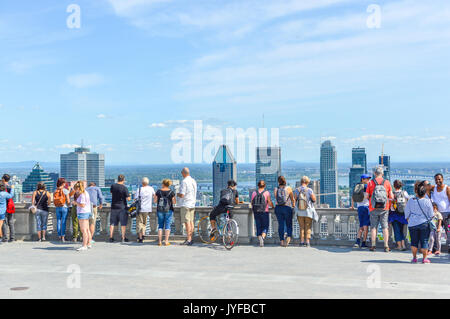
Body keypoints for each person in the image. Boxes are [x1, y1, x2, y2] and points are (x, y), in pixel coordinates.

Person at [405, 181, 434, 264]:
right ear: (424, 193)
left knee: (414, 242)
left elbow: (407, 213)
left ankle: (414, 258)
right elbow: (431, 215)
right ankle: (424, 259)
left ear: (416, 192)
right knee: (424, 241)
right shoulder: (427, 201)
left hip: (412, 223)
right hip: (424, 223)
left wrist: (410, 221)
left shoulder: (411, 200)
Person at [367, 166, 393, 252]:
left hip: (373, 207)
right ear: (382, 174)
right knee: (385, 227)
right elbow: (391, 196)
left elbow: (367, 196)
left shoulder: (370, 183)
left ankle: (373, 245)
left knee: (374, 227)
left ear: (375, 173)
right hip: (384, 208)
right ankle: (386, 245)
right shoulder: (387, 182)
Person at [294, 176, 316, 247]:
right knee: (308, 226)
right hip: (308, 211)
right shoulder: (309, 190)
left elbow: (294, 200)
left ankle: (301, 241)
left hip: (299, 211)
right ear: (307, 182)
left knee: (301, 227)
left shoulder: (297, 190)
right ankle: (307, 241)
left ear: (301, 182)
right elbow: (314, 199)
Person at [431, 173, 450, 254]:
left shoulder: (447, 188)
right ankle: (435, 248)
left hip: (446, 213)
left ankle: (449, 246)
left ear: (442, 179)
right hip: (437, 214)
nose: (438, 181)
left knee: (448, 231)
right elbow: (425, 187)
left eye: (439, 179)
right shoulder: (433, 188)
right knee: (435, 231)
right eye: (436, 179)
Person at [177, 167, 197, 246]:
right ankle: (191, 238)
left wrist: (177, 194)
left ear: (184, 173)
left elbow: (182, 195)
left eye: (182, 173)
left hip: (186, 204)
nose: (181, 174)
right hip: (192, 203)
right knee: (191, 222)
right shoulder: (193, 181)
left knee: (187, 222)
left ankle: (188, 239)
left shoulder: (184, 181)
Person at [251, 180, 274, 247]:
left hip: (256, 211)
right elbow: (269, 202)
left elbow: (252, 202)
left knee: (258, 226)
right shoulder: (266, 193)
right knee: (265, 226)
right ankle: (262, 237)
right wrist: (272, 206)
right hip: (264, 211)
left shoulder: (254, 193)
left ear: (258, 185)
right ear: (265, 186)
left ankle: (259, 237)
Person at [351, 174, 371, 248]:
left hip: (359, 207)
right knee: (365, 226)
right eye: (367, 179)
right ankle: (363, 242)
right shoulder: (366, 186)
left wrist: (352, 206)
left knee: (361, 225)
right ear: (362, 179)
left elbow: (352, 197)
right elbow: (368, 196)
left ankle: (357, 241)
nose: (368, 180)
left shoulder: (357, 186)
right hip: (366, 207)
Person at [109, 175, 131, 243]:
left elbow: (111, 193)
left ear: (117, 179)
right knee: (123, 223)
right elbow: (128, 199)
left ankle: (111, 237)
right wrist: (129, 195)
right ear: (123, 180)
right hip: (122, 207)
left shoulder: (113, 186)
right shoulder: (124, 188)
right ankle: (123, 238)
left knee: (112, 223)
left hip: (114, 207)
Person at [274, 176, 295, 247]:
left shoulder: (276, 189)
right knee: (289, 224)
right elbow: (292, 199)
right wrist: (293, 205)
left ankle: (282, 241)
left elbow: (276, 198)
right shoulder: (288, 188)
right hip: (287, 208)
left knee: (281, 225)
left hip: (278, 208)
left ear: (278, 182)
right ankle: (288, 237)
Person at [155, 179, 176, 246]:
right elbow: (174, 202)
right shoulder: (171, 192)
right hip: (168, 210)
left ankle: (159, 241)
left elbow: (155, 201)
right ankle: (166, 241)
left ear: (163, 184)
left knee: (160, 226)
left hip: (160, 210)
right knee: (167, 225)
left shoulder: (158, 191)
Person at [389, 180, 409, 251]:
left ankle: (399, 246)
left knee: (396, 230)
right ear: (401, 186)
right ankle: (403, 245)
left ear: (394, 186)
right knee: (403, 231)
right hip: (403, 214)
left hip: (394, 214)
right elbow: (408, 201)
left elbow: (390, 204)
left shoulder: (392, 194)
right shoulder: (404, 193)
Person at [134, 177, 156, 244]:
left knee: (140, 223)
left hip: (140, 208)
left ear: (142, 183)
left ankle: (140, 237)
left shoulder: (139, 189)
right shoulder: (151, 189)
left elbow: (135, 198)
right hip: (147, 208)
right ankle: (143, 234)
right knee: (144, 223)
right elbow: (154, 196)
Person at [72, 181, 92, 251]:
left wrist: (75, 203)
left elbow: (82, 205)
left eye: (75, 189)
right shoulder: (86, 193)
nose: (75, 190)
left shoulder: (82, 195)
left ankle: (84, 245)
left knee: (83, 230)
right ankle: (89, 243)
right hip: (87, 212)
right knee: (87, 229)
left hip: (82, 212)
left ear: (78, 188)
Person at [53, 178, 70, 242]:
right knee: (63, 222)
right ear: (63, 183)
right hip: (64, 207)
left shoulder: (55, 191)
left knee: (58, 221)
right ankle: (63, 236)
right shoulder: (65, 191)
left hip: (57, 207)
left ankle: (59, 235)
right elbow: (68, 201)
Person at [1, 174, 15, 242]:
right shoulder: (10, 187)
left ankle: (5, 238)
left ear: (3, 179)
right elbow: (11, 196)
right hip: (10, 207)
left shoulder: (2, 187)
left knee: (4, 223)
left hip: (3, 207)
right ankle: (12, 238)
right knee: (11, 223)